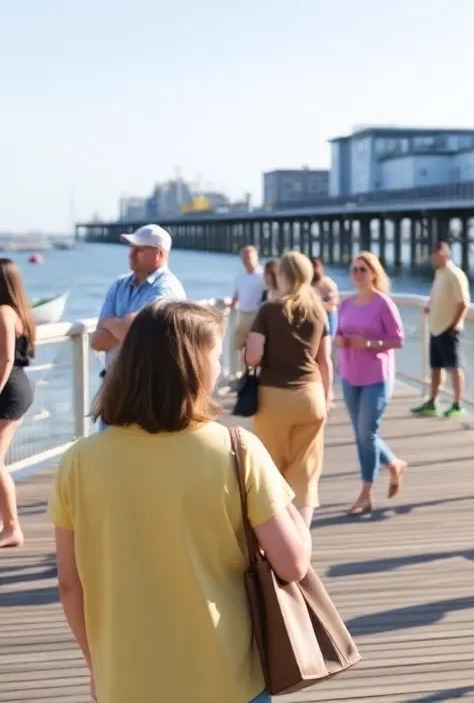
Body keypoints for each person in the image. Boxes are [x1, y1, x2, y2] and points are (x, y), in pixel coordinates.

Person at [48, 300, 311, 703]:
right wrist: (288, 499)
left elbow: (70, 585)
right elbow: (292, 564)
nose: (221, 367)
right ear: (193, 364)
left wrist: (96, 665)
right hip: (227, 678)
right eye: (215, 354)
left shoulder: (78, 462)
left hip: (125, 681)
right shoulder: (236, 450)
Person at [246, 251, 331, 527]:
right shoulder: (319, 311)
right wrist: (327, 398)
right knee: (305, 479)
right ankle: (301, 544)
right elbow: (325, 361)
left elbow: (253, 356)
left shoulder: (269, 310)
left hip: (274, 399)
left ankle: (278, 549)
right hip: (311, 396)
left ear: (281, 276)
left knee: (271, 474)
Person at [335, 251, 407, 516]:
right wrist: (340, 341)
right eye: (354, 269)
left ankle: (366, 495)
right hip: (350, 375)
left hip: (377, 376)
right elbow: (338, 334)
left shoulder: (383, 303)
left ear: (374, 274)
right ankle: (394, 463)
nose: (357, 274)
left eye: (363, 269)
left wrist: (369, 344)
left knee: (367, 433)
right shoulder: (345, 304)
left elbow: (397, 339)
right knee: (363, 435)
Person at [90, 224, 186, 378]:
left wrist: (109, 323)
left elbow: (140, 336)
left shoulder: (167, 289)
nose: (131, 254)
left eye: (139, 249)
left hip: (149, 383)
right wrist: (124, 325)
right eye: (131, 248)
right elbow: (96, 341)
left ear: (159, 254)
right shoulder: (119, 284)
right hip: (114, 380)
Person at [411, 241, 470, 418]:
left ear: (444, 254)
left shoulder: (455, 274)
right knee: (436, 367)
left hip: (449, 328)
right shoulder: (440, 273)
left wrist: (455, 324)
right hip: (436, 327)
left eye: (435, 256)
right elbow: (440, 295)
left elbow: (464, 302)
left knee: (454, 366)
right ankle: (432, 401)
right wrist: (430, 306)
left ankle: (458, 403)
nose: (432, 259)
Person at [0, 258, 36, 549]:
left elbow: (6, 358)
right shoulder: (20, 312)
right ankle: (7, 525)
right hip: (17, 385)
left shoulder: (3, 312)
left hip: (8, 389)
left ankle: (12, 528)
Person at [229, 245, 264, 378]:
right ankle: (242, 374)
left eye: (249, 257)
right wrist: (230, 303)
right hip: (242, 314)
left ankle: (256, 375)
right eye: (244, 257)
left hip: (257, 315)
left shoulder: (262, 275)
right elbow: (235, 296)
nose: (246, 260)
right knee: (237, 345)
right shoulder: (240, 276)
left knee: (255, 346)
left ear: (256, 257)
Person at [311, 259, 340, 341]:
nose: (314, 269)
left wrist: (319, 304)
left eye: (316, 266)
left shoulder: (328, 283)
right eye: (312, 266)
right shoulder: (306, 285)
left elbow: (333, 303)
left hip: (328, 316)